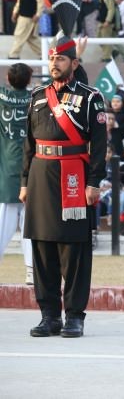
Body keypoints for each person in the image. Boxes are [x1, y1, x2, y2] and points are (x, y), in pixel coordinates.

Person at [21, 31, 106, 338]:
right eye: (53, 58)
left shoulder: (91, 97)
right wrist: (24, 181)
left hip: (74, 176)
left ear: (74, 62)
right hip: (41, 177)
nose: (55, 63)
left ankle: (74, 315)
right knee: (42, 248)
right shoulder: (38, 96)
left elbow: (99, 145)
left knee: (74, 251)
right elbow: (28, 143)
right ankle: (48, 315)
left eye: (61, 58)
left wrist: (94, 182)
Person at [0, 63, 34, 284]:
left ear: (8, 78)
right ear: (30, 80)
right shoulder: (35, 98)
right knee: (32, 225)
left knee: (2, 225)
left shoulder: (2, 96)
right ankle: (32, 271)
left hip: (9, 170)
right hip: (32, 167)